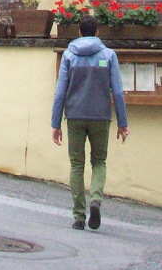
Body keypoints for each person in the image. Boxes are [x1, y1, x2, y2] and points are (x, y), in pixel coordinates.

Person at [51, 15, 129, 231]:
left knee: (77, 165)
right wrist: (123, 122)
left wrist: (55, 123)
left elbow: (60, 92)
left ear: (79, 32)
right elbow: (118, 92)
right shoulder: (108, 55)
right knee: (99, 162)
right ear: (97, 32)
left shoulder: (69, 55)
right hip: (100, 116)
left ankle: (79, 215)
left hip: (75, 115)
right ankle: (95, 199)